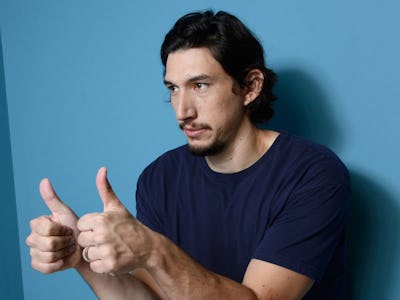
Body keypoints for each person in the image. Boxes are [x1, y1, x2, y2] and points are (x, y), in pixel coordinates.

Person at [26, 10, 351, 299]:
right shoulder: (160, 177)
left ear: (251, 87)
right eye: (173, 88)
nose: (183, 111)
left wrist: (153, 249)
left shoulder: (313, 173)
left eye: (200, 86)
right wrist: (81, 258)